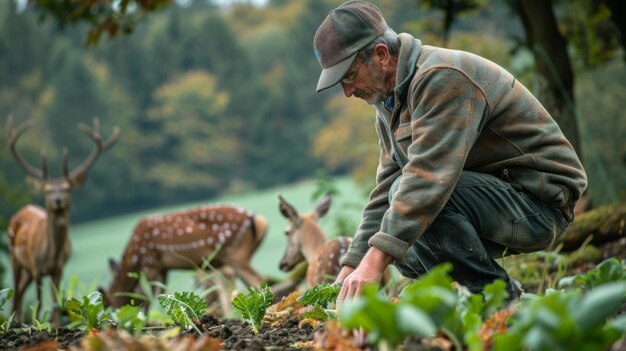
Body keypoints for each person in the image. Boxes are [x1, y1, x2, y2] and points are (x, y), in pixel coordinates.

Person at [312, 0, 588, 303]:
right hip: (493, 198)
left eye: (349, 76)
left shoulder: (441, 77)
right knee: (399, 244)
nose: (347, 92)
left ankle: (498, 302)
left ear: (381, 56)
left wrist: (376, 260)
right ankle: (482, 295)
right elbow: (386, 188)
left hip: (540, 203)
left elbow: (428, 180)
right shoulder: (388, 100)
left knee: (403, 217)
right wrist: (352, 266)